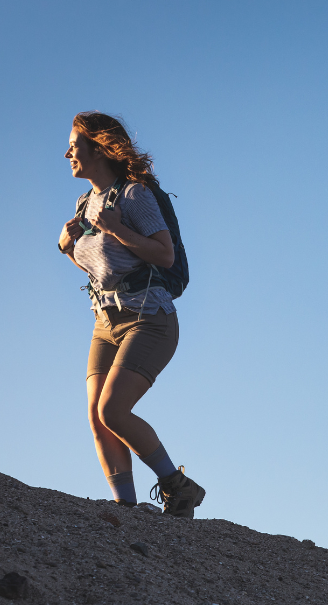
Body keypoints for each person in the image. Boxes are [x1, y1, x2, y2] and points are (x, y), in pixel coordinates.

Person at [57, 111, 205, 518]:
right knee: (96, 416)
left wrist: (119, 229)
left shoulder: (133, 195)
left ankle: (179, 486)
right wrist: (66, 247)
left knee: (112, 410)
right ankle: (125, 507)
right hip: (105, 321)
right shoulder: (84, 203)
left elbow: (164, 253)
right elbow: (98, 268)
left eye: (74, 143)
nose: (67, 152)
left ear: (99, 147)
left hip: (149, 318)